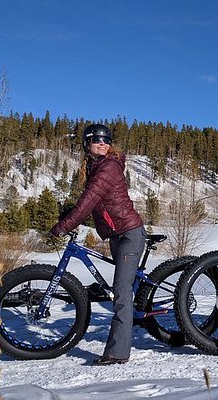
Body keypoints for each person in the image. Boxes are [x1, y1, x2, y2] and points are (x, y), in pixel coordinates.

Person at [50, 123, 146, 365]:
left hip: (129, 234)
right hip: (117, 235)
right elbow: (87, 201)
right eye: (96, 140)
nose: (102, 143)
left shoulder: (109, 167)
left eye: (106, 140)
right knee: (120, 287)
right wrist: (68, 215)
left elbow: (88, 201)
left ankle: (118, 353)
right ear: (87, 145)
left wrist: (64, 226)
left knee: (122, 293)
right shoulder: (95, 167)